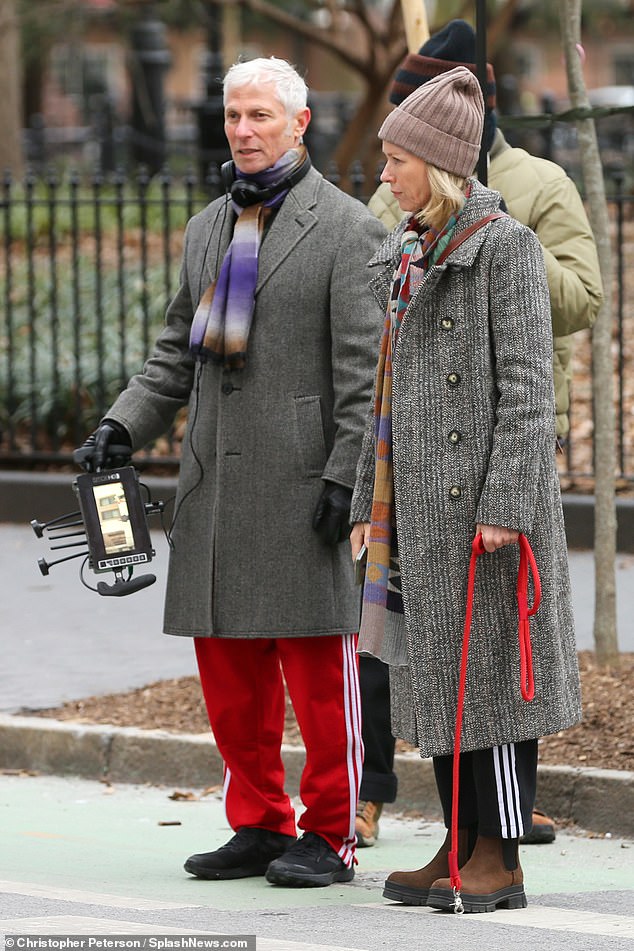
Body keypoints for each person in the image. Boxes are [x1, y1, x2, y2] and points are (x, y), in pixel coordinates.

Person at [76, 56, 387, 888]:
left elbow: (364, 372)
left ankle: (330, 832)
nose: (243, 131)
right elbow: (174, 353)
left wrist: (344, 477)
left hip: (303, 483)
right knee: (230, 674)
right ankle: (256, 821)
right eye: (233, 117)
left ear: (299, 121)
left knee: (322, 679)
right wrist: (120, 426)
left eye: (259, 116)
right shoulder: (208, 225)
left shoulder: (352, 228)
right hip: (215, 485)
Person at [356, 18, 602, 852]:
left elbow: (530, 389)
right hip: (417, 496)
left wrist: (503, 501)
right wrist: (365, 499)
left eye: (396, 160)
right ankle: (458, 841)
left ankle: (494, 853)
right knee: (433, 675)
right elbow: (381, 389)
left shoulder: (510, 246)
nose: (383, 175)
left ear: (437, 161)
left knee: (488, 677)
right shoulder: (406, 246)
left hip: (486, 500)